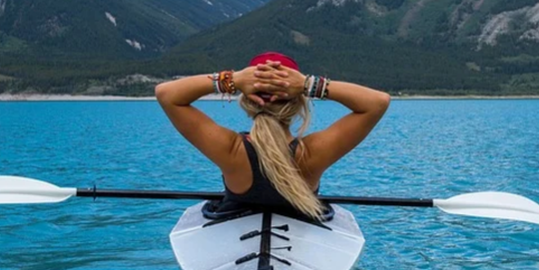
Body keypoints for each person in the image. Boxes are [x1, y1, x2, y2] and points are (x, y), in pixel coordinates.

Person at [155, 52, 390, 221]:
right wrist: (309, 84)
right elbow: (377, 102)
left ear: (247, 100)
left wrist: (233, 79)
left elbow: (166, 94)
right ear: (299, 102)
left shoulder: (230, 149)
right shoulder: (312, 153)